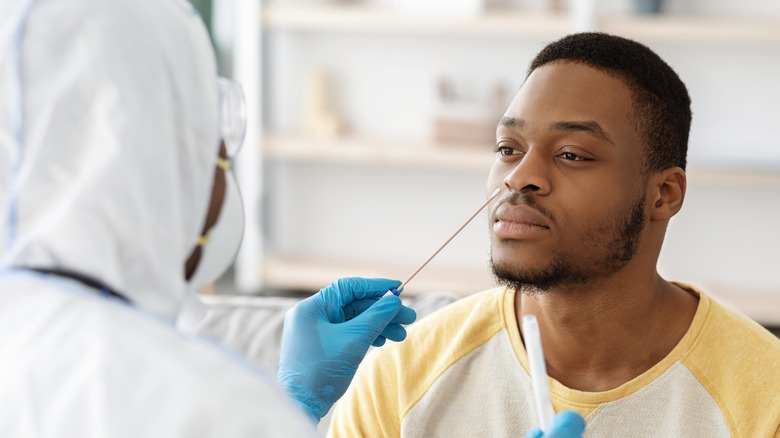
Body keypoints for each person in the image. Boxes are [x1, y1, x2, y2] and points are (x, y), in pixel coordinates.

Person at [328, 32, 780, 437]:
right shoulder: (403, 378)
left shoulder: (765, 399)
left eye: (571, 154)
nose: (519, 177)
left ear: (663, 194)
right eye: (508, 149)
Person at [0, 0, 419, 435]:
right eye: (212, 132)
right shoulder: (215, 409)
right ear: (160, 157)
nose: (222, 160)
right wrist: (291, 406)